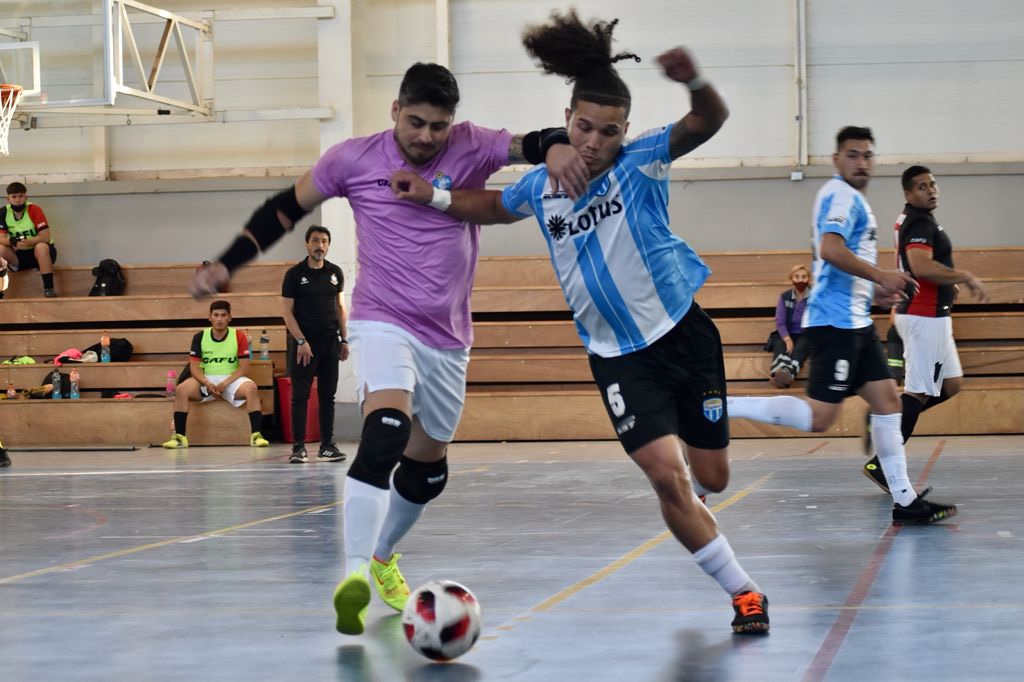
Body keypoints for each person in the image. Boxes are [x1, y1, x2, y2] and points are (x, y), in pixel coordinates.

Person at [392, 12, 770, 635]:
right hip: (618, 357)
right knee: (668, 480)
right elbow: (488, 204)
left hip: (684, 336)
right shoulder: (542, 184)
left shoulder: (642, 160)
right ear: (566, 121)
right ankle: (745, 592)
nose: (594, 142)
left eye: (609, 131)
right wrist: (430, 194)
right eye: (583, 127)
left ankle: (696, 493)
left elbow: (708, 120)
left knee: (713, 477)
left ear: (625, 131)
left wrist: (695, 79)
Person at [186, 61, 590, 636]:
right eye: (417, 122)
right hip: (383, 319)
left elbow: (535, 141)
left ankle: (381, 556)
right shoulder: (352, 159)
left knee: (428, 472)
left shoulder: (472, 144)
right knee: (386, 431)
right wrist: (229, 261)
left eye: (439, 126)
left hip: (449, 335)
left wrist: (552, 150)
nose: (427, 136)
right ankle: (352, 576)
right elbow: (283, 208)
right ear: (395, 111)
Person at [725, 127, 958, 525]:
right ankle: (722, 408)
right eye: (853, 155)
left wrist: (872, 295)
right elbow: (830, 250)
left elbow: (840, 268)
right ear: (836, 160)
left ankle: (904, 500)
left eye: (867, 155)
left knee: (887, 402)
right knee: (820, 418)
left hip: (857, 322)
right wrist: (882, 276)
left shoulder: (856, 203)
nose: (861, 162)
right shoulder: (840, 196)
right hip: (834, 326)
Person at [861, 165, 989, 491]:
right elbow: (920, 266)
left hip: (935, 316)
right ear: (908, 193)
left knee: (951, 384)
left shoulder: (917, 219)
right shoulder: (918, 222)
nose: (931, 190)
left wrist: (950, 286)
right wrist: (963, 276)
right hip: (924, 317)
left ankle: (890, 420)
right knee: (918, 393)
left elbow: (926, 265)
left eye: (933, 184)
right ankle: (882, 462)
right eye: (922, 186)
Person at [281, 225, 349, 464]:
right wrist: (301, 341)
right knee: (300, 396)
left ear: (328, 245)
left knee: (327, 396)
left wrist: (344, 339)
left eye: (324, 242)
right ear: (307, 244)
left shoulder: (336, 273)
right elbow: (287, 313)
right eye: (315, 241)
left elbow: (340, 308)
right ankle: (298, 448)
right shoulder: (294, 275)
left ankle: (327, 446)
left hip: (330, 343)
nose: (320, 246)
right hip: (304, 346)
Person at [162, 300, 270, 449]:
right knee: (181, 389)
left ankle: (256, 436)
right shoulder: (200, 336)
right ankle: (179, 437)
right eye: (216, 315)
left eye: (223, 315)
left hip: (231, 379)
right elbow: (194, 368)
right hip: (207, 379)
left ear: (229, 317)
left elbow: (244, 368)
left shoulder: (239, 336)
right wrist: (207, 383)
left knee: (251, 388)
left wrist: (225, 384)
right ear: (210, 317)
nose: (219, 319)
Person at [0, 182, 58, 298]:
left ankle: (48, 289)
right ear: (8, 199)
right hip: (19, 257)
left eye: (20, 196)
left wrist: (23, 241)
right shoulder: (3, 212)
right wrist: (12, 241)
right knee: (0, 249)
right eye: (14, 197)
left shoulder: (34, 209)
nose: (17, 200)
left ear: (26, 197)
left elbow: (45, 237)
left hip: (42, 255)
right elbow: (1, 239)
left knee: (41, 247)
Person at [766, 264, 811, 388]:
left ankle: (785, 376)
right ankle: (782, 375)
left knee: (802, 346)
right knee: (780, 344)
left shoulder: (814, 297)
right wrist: (787, 339)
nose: (800, 280)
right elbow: (780, 322)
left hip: (806, 334)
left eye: (804, 277)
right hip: (787, 333)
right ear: (791, 278)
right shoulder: (784, 297)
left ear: (809, 279)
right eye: (797, 277)